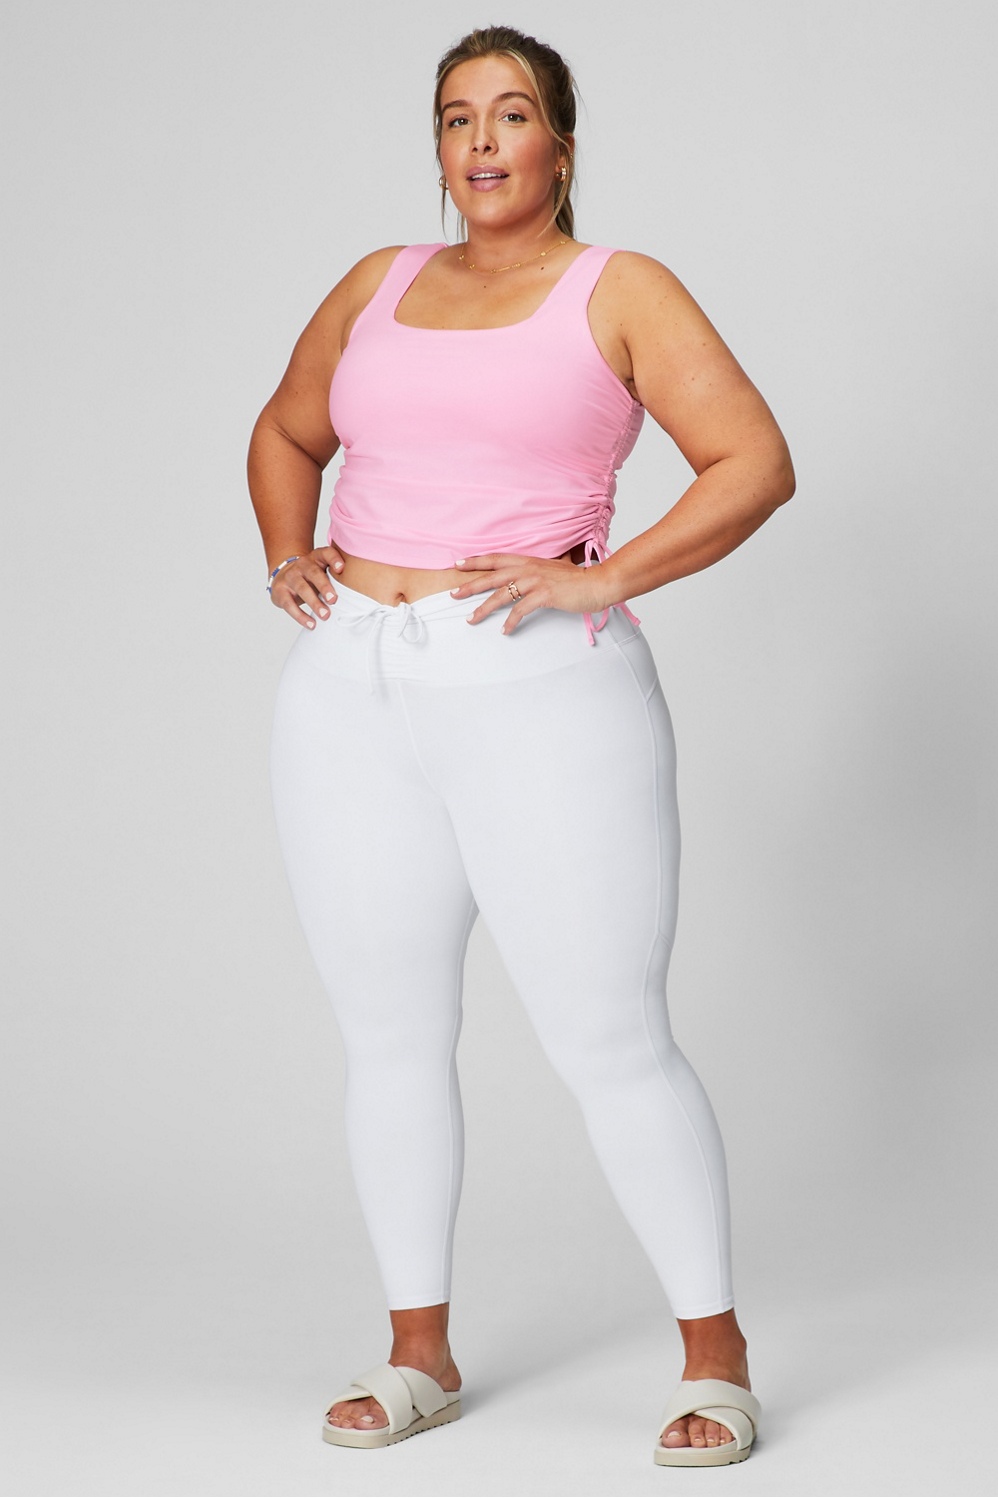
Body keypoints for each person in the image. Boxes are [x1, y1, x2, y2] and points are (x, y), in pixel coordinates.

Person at [247, 23, 794, 1469]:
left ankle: (716, 1356)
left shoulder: (621, 289)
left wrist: (602, 578)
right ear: (436, 150)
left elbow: (753, 461)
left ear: (561, 144)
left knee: (608, 1033)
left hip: (542, 689)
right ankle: (416, 1350)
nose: (482, 141)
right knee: (389, 1032)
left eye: (510, 114)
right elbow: (287, 432)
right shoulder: (377, 283)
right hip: (350, 684)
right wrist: (289, 552)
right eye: (456, 118)